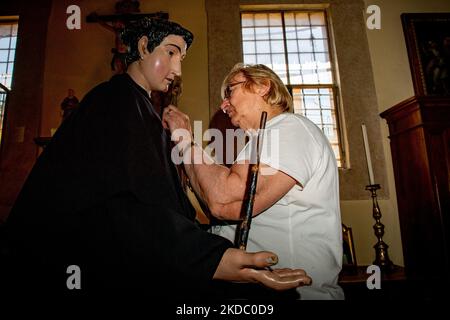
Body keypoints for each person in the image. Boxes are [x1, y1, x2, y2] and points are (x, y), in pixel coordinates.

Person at [2, 19, 311, 297]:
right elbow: (122, 203)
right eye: (172, 52)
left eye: (182, 58)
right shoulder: (116, 100)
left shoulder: (142, 108)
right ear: (143, 46)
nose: (177, 70)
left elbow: (160, 203)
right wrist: (210, 256)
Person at [163, 63, 344, 299]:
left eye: (229, 91)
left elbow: (224, 200)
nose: (223, 104)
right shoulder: (262, 139)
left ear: (262, 86)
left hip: (296, 295)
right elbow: (214, 199)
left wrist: (184, 138)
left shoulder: (289, 127)